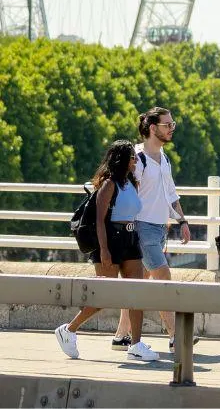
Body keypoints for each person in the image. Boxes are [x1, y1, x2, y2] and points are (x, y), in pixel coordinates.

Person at [55, 140, 159, 361]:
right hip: (110, 241)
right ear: (122, 159)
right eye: (132, 157)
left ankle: (136, 345)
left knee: (136, 294)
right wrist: (104, 250)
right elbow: (100, 221)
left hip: (130, 240)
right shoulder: (109, 184)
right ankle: (69, 330)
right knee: (104, 296)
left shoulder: (132, 183)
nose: (135, 160)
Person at [111, 107, 198, 353]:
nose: (172, 129)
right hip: (141, 228)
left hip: (160, 228)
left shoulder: (164, 158)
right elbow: (127, 193)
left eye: (173, 124)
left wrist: (182, 221)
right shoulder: (137, 158)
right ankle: (176, 336)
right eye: (167, 125)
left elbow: (171, 194)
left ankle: (120, 336)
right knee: (163, 279)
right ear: (152, 127)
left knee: (138, 285)